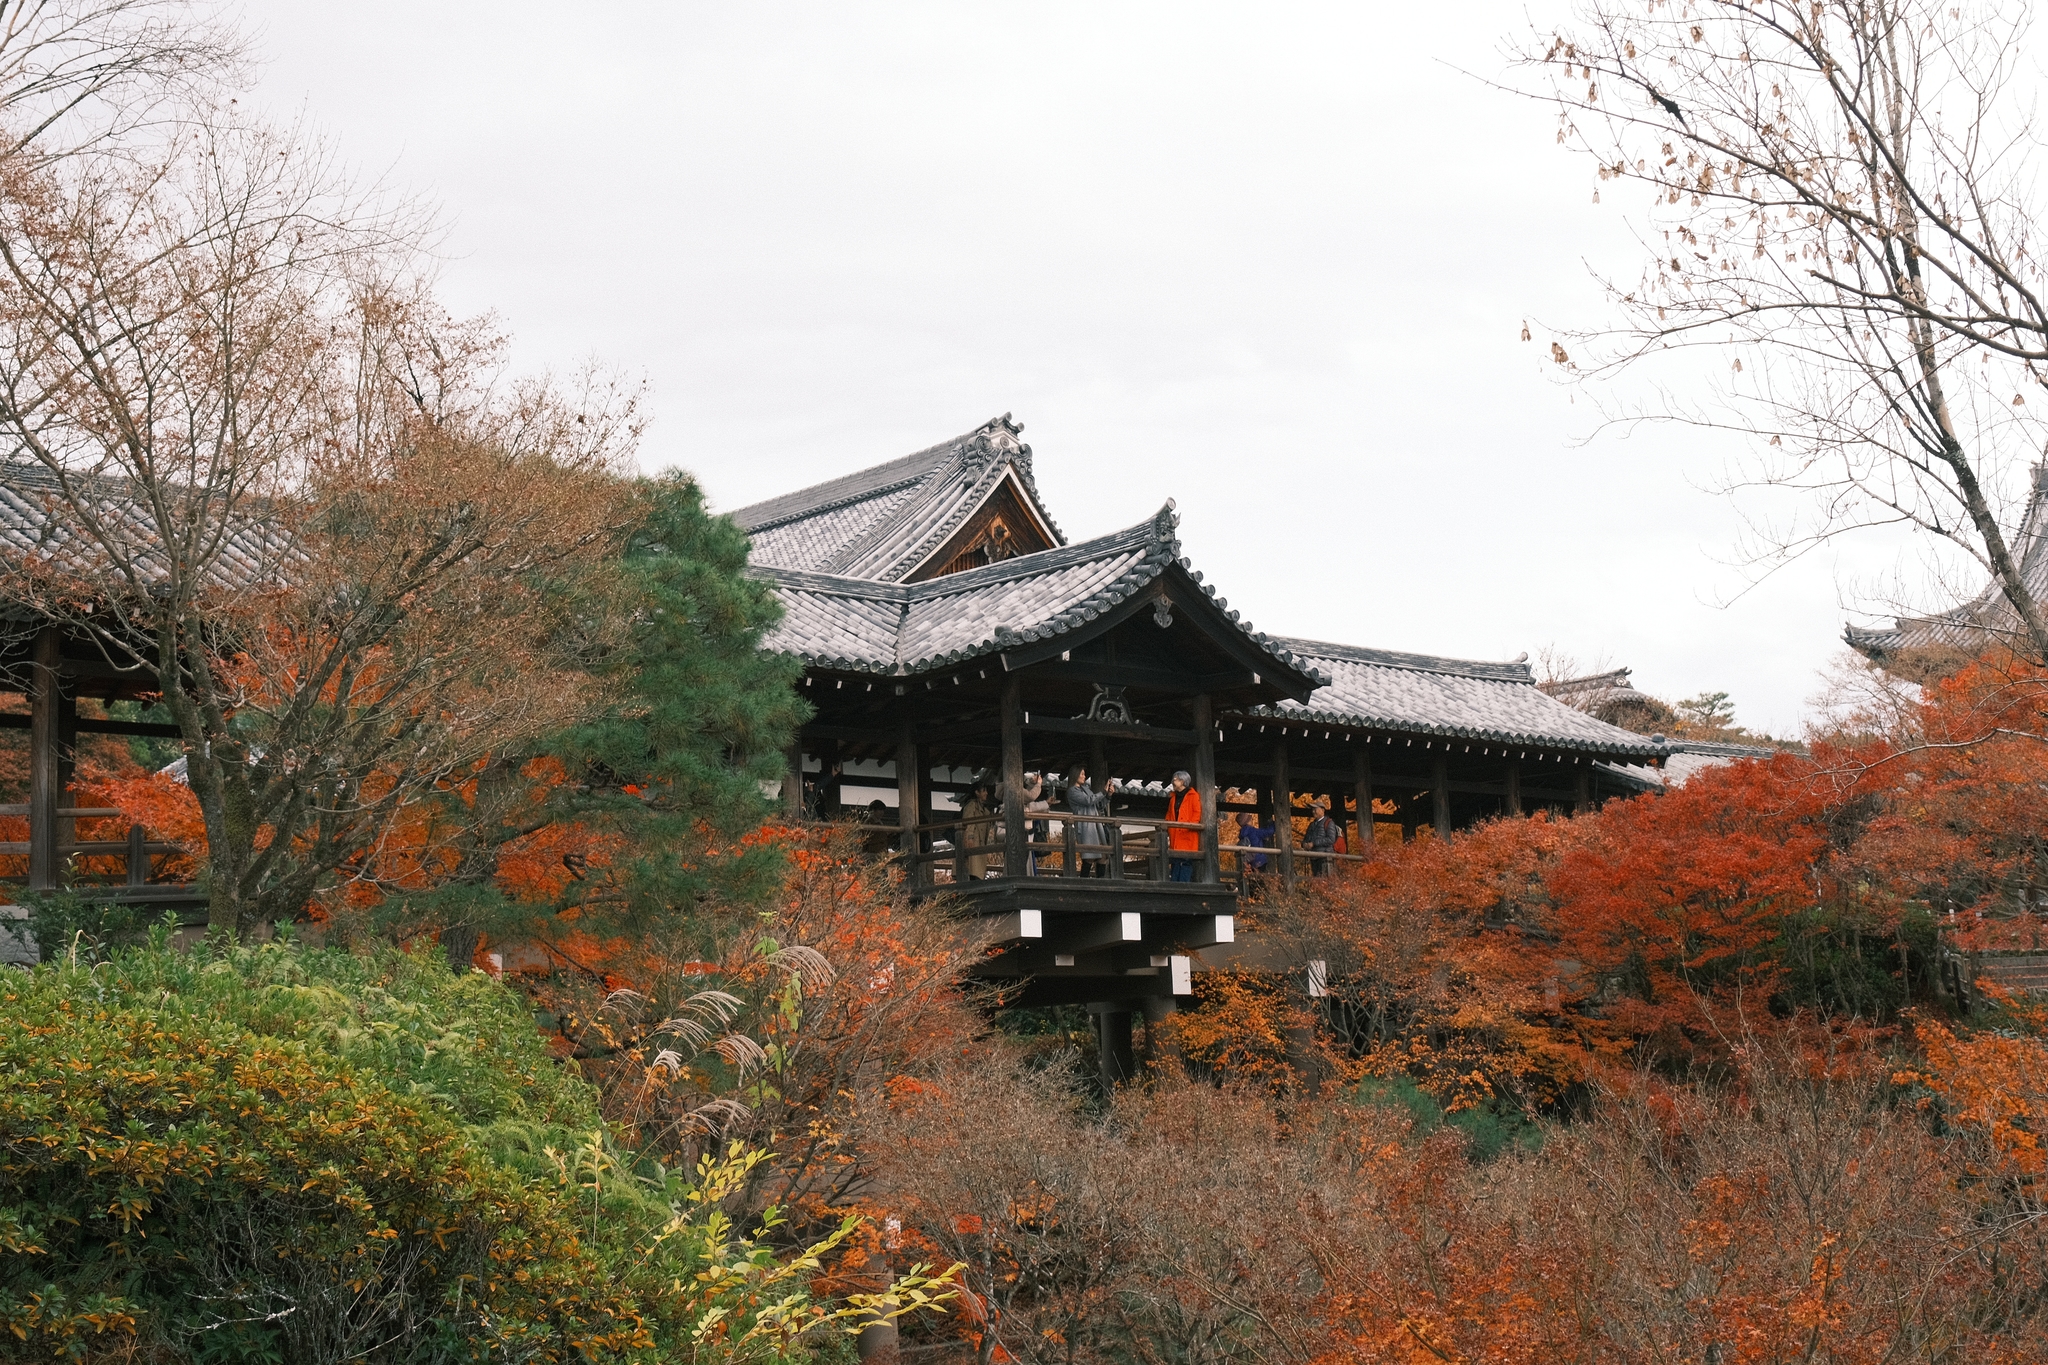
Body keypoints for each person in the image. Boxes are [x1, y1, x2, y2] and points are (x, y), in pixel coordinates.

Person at [1065, 766, 1116, 877]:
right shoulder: (1072, 791)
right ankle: (1083, 883)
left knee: (1103, 855)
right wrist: (1103, 791)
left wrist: (1108, 795)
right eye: (1082, 774)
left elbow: (1099, 805)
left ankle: (1100, 884)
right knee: (1089, 856)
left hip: (1096, 824)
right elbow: (1088, 800)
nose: (1084, 776)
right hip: (1085, 826)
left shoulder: (1086, 789)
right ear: (1075, 774)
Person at [1164, 769, 1202, 882]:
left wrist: (1190, 825)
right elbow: (1169, 814)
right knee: (1175, 861)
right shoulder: (1173, 798)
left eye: (1175, 779)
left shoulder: (1193, 796)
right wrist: (1167, 825)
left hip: (1187, 834)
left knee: (1186, 861)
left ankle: (1184, 886)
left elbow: (1197, 812)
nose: (1173, 781)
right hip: (1175, 835)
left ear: (1182, 781)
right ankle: (1175, 885)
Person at [960, 774, 997, 879]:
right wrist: (969, 837)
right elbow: (968, 821)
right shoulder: (971, 805)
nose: (986, 793)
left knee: (976, 870)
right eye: (984, 790)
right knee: (973, 870)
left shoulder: (982, 808)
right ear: (977, 792)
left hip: (979, 841)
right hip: (974, 840)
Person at [1022, 772, 1050, 876]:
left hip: (1029, 830)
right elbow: (1031, 802)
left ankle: (1030, 875)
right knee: (1028, 857)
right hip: (1026, 830)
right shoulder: (1022, 794)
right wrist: (1037, 784)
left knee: (1029, 857)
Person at [1303, 799, 1338, 877]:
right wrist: (1304, 844)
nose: (1313, 811)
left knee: (1324, 881)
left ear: (1322, 810)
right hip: (1314, 857)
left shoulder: (1329, 823)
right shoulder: (1312, 825)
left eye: (1315, 809)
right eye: (1313, 809)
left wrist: (1314, 843)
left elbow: (1331, 839)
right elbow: (1305, 838)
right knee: (1316, 881)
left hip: (1325, 858)